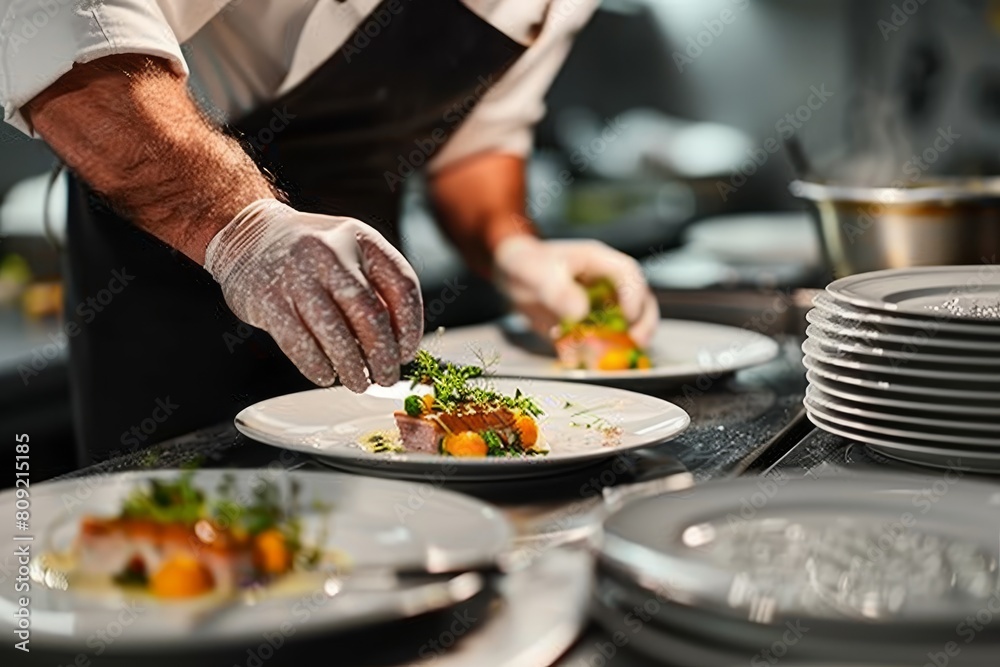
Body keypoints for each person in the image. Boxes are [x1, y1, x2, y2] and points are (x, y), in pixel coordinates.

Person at [0, 0, 660, 463]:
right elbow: (61, 29)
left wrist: (514, 247)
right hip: (165, 286)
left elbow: (478, 141)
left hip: (364, 331)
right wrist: (243, 231)